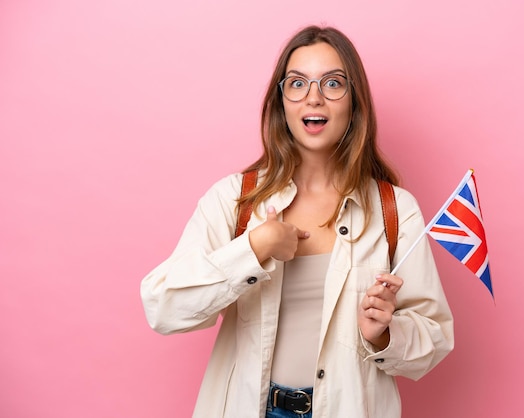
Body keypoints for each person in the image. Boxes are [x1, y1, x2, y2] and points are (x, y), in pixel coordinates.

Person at [140, 25, 454, 418]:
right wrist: (254, 249)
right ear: (281, 100)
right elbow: (163, 308)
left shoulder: (394, 209)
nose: (314, 98)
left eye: (333, 83)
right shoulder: (235, 200)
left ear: (355, 102)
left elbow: (435, 339)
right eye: (297, 83)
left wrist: (385, 334)